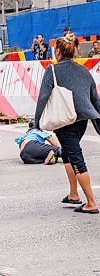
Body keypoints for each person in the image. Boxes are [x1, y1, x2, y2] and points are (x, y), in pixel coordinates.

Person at [35, 33, 100, 214]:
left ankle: (91, 202)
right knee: (67, 153)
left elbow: (43, 97)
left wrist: (37, 120)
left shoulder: (53, 70)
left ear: (58, 51)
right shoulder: (84, 71)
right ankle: (73, 194)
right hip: (81, 120)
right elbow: (95, 99)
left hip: (65, 120)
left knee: (76, 157)